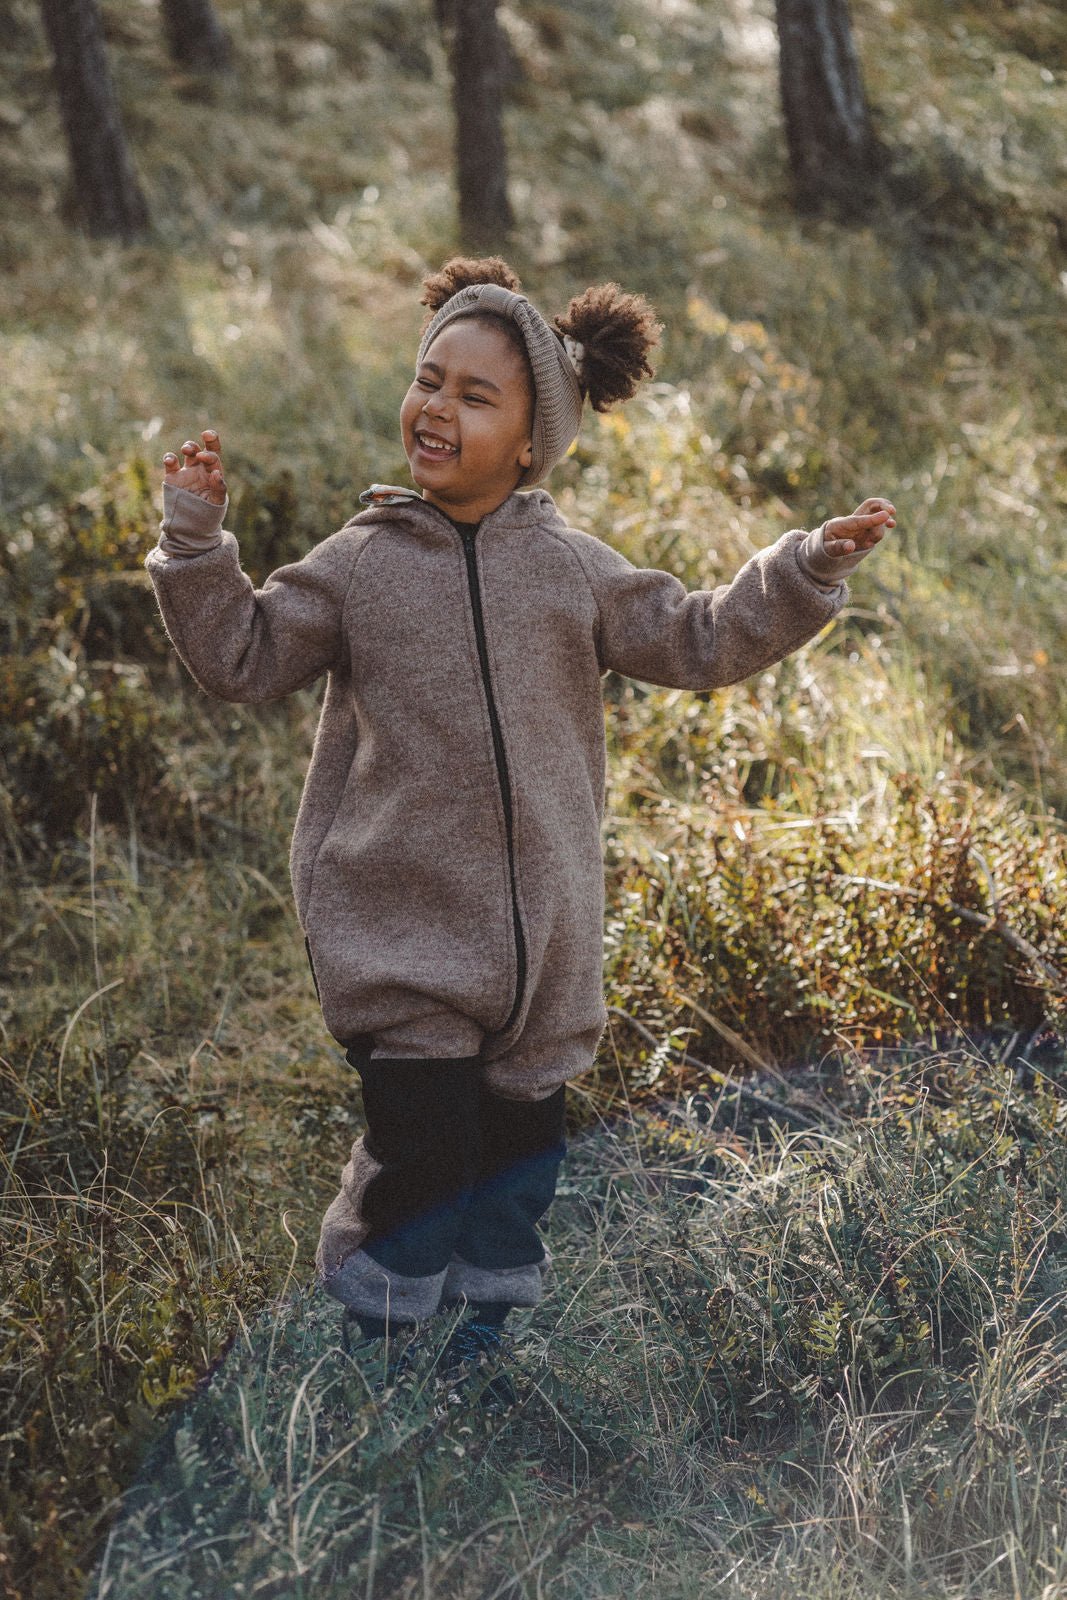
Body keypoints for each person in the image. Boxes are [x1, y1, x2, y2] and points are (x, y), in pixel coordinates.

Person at [146, 256, 894, 1384]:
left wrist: (804, 568)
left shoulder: (568, 569)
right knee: (423, 1162)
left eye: (474, 396)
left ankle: (475, 1356)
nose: (436, 409)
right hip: (403, 939)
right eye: (426, 380)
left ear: (532, 441)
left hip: (547, 949)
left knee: (516, 1172)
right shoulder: (358, 566)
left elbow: (697, 636)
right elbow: (241, 658)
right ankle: (377, 1357)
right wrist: (198, 545)